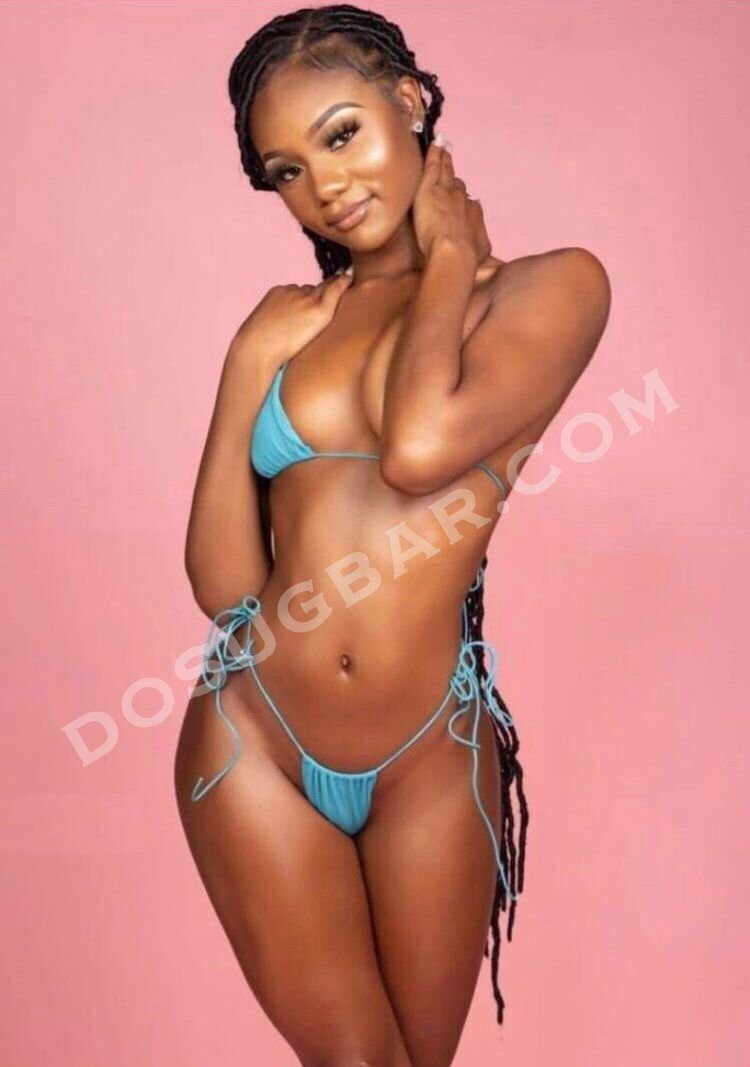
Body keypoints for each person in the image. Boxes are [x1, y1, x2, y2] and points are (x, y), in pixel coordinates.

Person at [174, 5, 610, 1064]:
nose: (324, 186)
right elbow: (225, 582)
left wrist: (450, 259)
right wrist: (245, 367)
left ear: (410, 102)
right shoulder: (293, 325)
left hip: (430, 753)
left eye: (341, 135)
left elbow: (419, 449)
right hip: (256, 733)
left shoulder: (552, 287)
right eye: (288, 170)